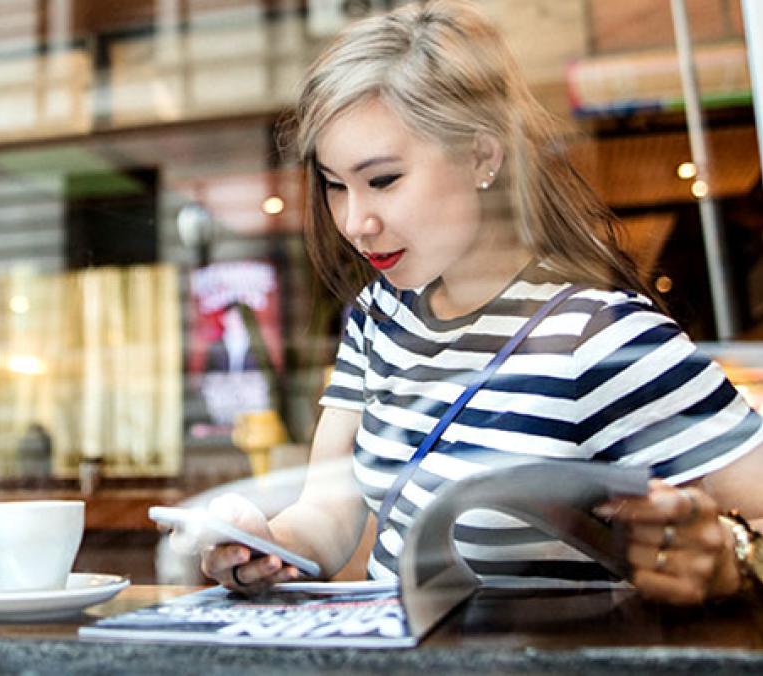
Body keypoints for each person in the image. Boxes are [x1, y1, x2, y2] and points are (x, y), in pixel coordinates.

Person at [198, 0, 763, 606]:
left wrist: (731, 554)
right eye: (335, 186)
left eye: (383, 180)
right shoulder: (379, 319)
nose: (355, 221)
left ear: (483, 157)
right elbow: (330, 513)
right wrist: (264, 546)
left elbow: (749, 527)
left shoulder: (602, 339)